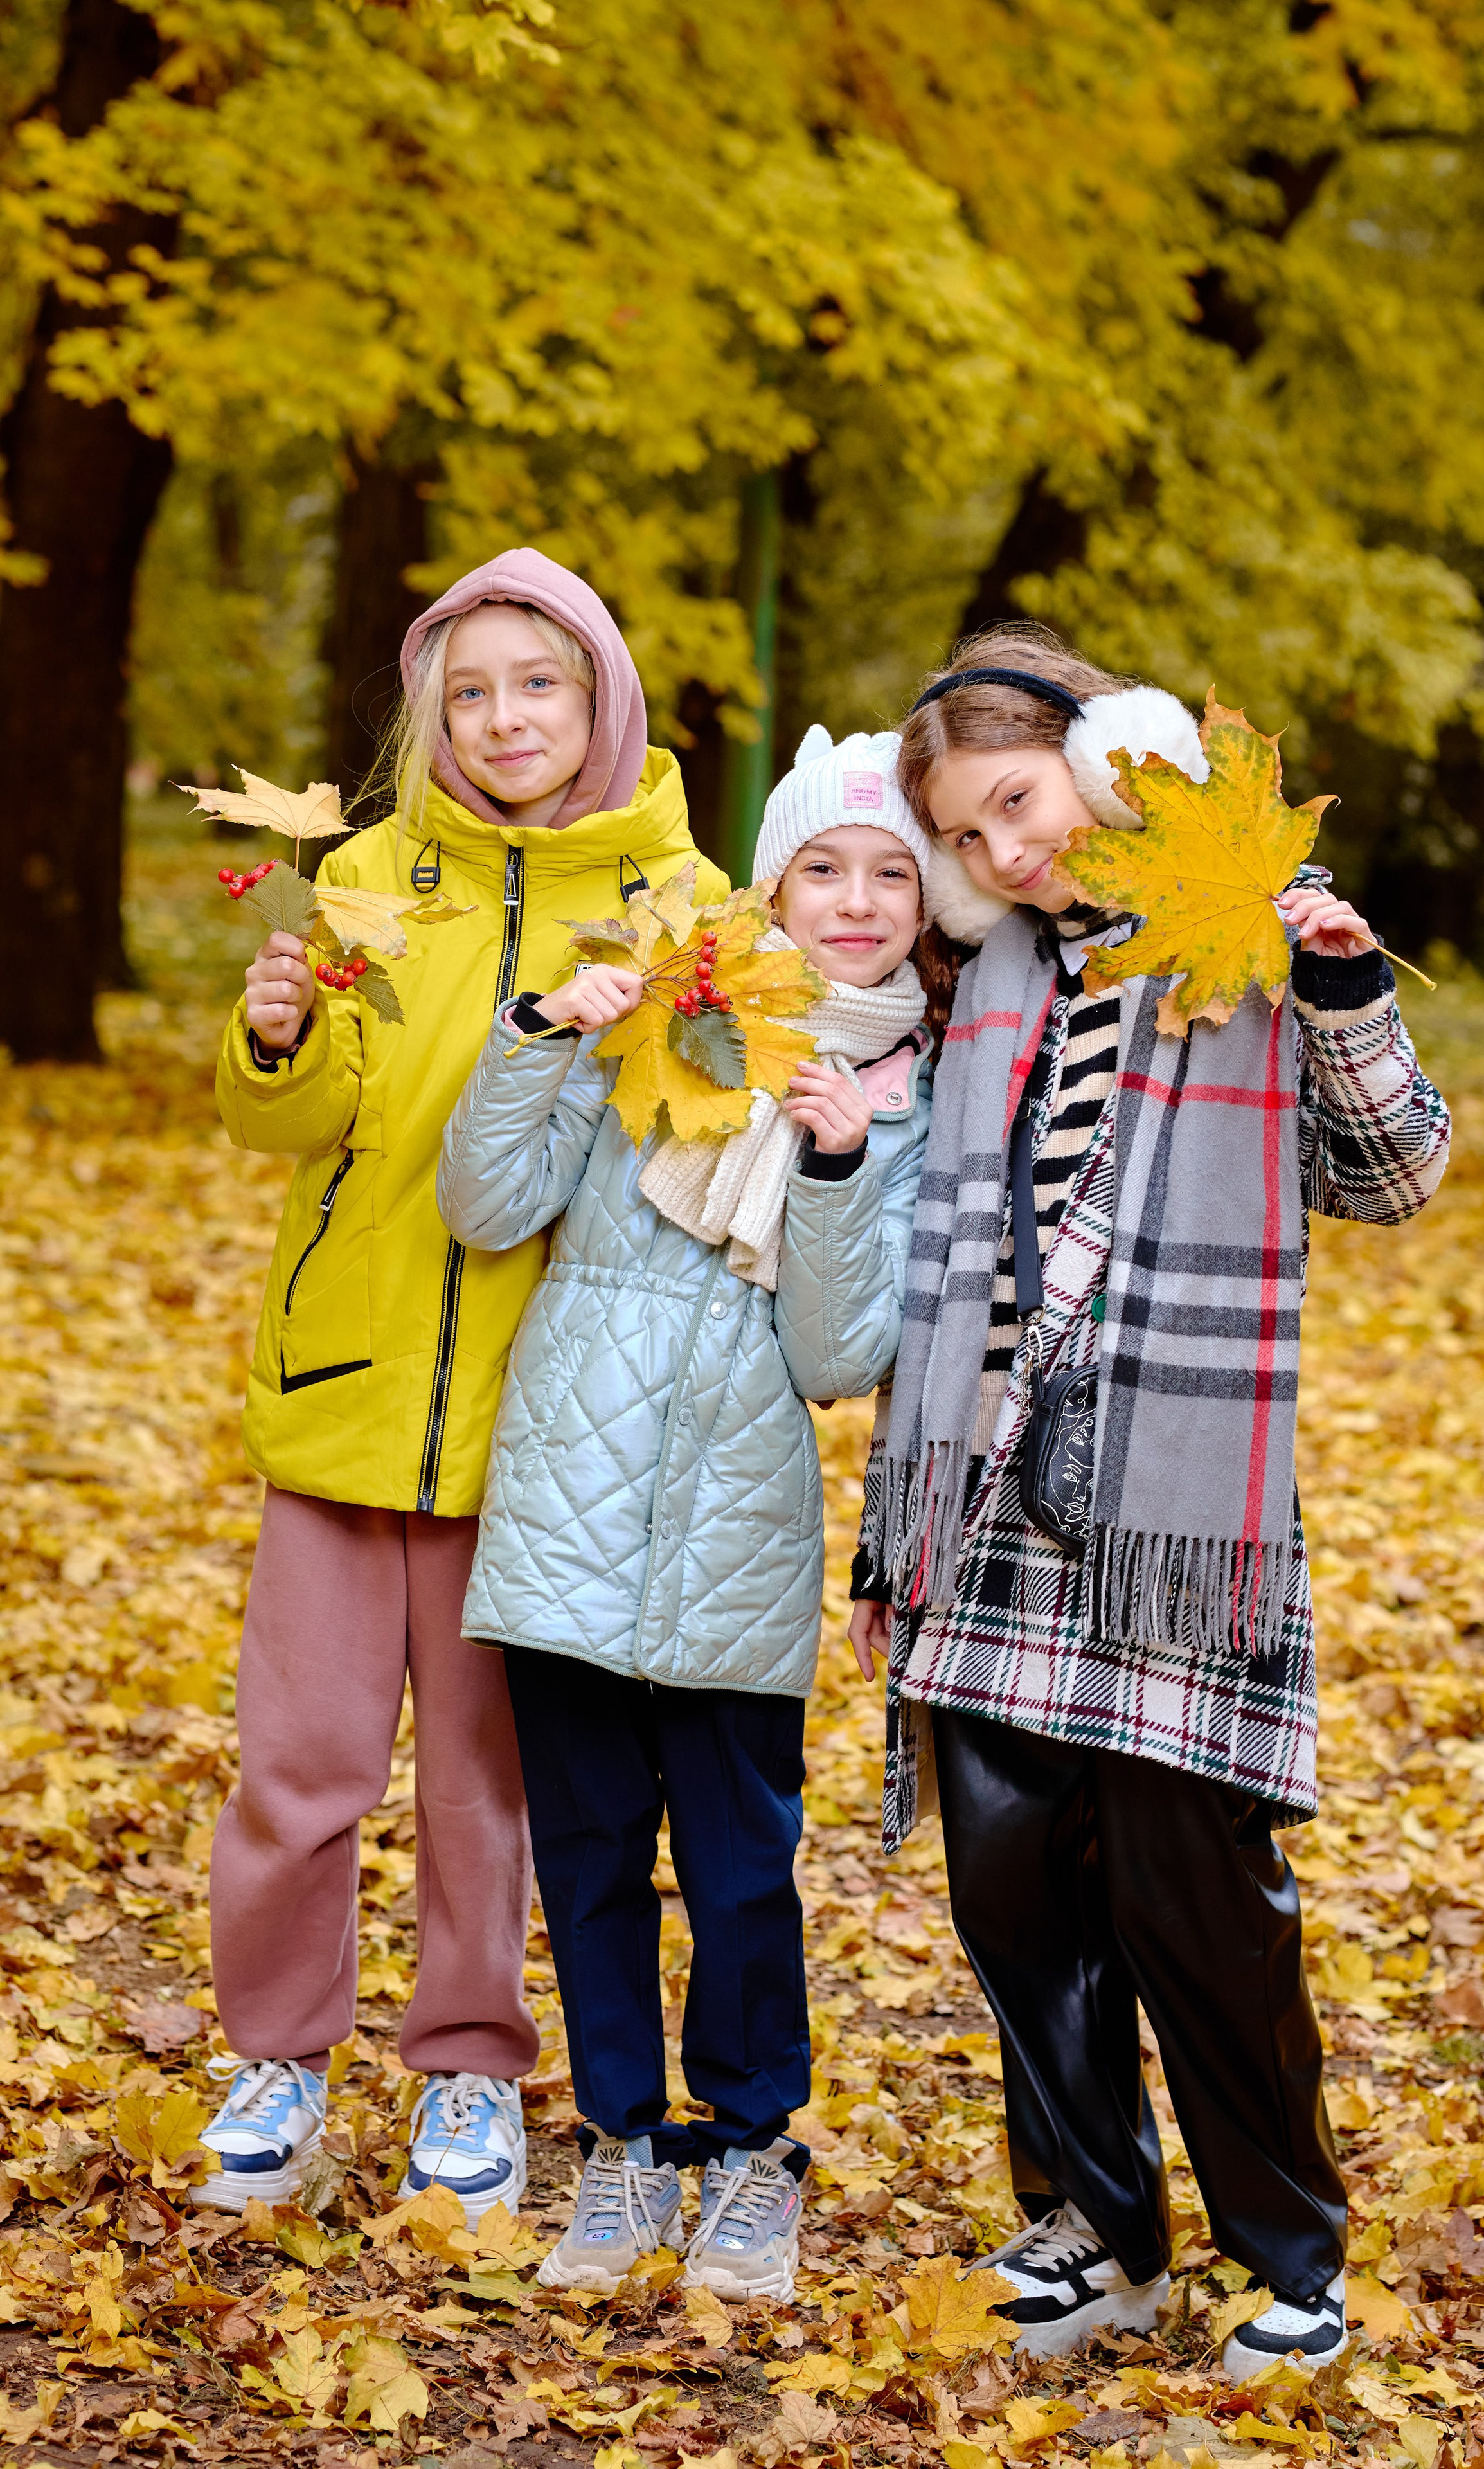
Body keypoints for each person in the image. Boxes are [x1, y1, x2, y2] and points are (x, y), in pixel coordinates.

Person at [848, 625, 1452, 2379]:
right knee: (1017, 1893)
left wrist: (1339, 987)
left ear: (1104, 757)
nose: (1005, 855)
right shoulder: (999, 984)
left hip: (1179, 1499)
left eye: (1018, 804)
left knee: (1198, 1897)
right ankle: (1099, 2226)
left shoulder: (1245, 929)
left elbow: (1395, 1172)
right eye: (965, 838)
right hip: (991, 1489)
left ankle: (1291, 2249)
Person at [200, 548, 726, 2227]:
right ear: (434, 712)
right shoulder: (367, 879)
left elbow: (711, 1152)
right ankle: (279, 2057)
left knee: (485, 1784)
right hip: (348, 1400)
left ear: (603, 698)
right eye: (471, 690)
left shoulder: (682, 905)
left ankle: (472, 2067)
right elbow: (300, 1123)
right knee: (300, 1764)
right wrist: (280, 1040)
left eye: (539, 683)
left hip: (543, 1424)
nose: (505, 718)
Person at [436, 726, 935, 2303]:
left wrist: (846, 1169)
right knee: (585, 1855)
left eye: (889, 875)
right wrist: (537, 1030)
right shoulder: (663, 1010)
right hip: (568, 1504)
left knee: (736, 1872)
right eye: (822, 868)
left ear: (924, 909)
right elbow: (487, 1201)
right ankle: (617, 2143)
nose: (852, 901)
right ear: (769, 880)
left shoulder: (907, 1094)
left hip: (737, 1527)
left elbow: (837, 1356)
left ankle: (750, 2152)